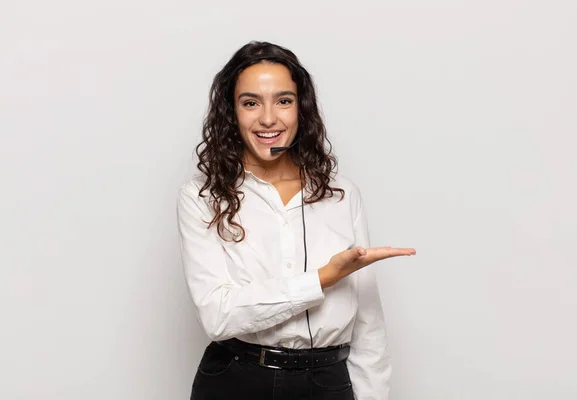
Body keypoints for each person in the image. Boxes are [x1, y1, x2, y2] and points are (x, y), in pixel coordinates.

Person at [176, 41, 416, 400]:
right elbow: (218, 316)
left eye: (283, 101)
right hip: (234, 380)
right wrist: (321, 279)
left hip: (325, 381)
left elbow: (368, 324)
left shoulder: (341, 195)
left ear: (301, 109)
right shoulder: (201, 197)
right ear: (232, 112)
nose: (269, 118)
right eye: (251, 102)